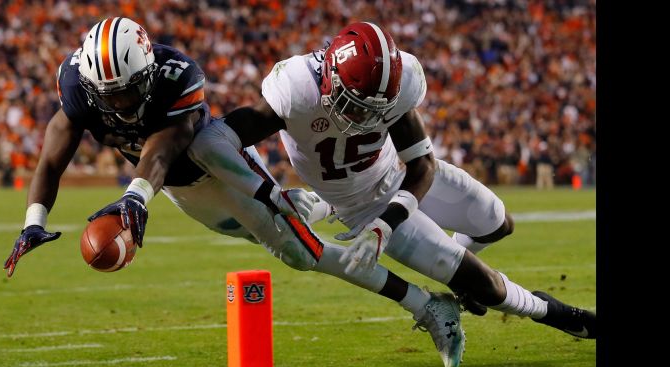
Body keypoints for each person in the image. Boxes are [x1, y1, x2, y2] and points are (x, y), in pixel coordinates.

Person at [2, 17, 467, 367]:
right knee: (289, 240)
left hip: (221, 172)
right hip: (185, 196)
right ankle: (310, 204)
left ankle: (426, 306)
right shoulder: (80, 84)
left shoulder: (178, 77)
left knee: (301, 253)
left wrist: (136, 196)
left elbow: (162, 151)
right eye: (108, 94)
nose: (117, 105)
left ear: (145, 74)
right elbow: (51, 156)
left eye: (126, 93)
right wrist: (33, 221)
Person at [188, 22, 596, 340]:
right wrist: (267, 191)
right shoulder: (295, 89)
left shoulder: (399, 86)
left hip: (401, 181)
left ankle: (459, 282)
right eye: (353, 105)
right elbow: (213, 139)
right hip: (362, 204)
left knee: (498, 222)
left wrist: (388, 225)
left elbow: (422, 166)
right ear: (328, 77)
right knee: (491, 287)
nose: (362, 119)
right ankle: (556, 314)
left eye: (372, 110)